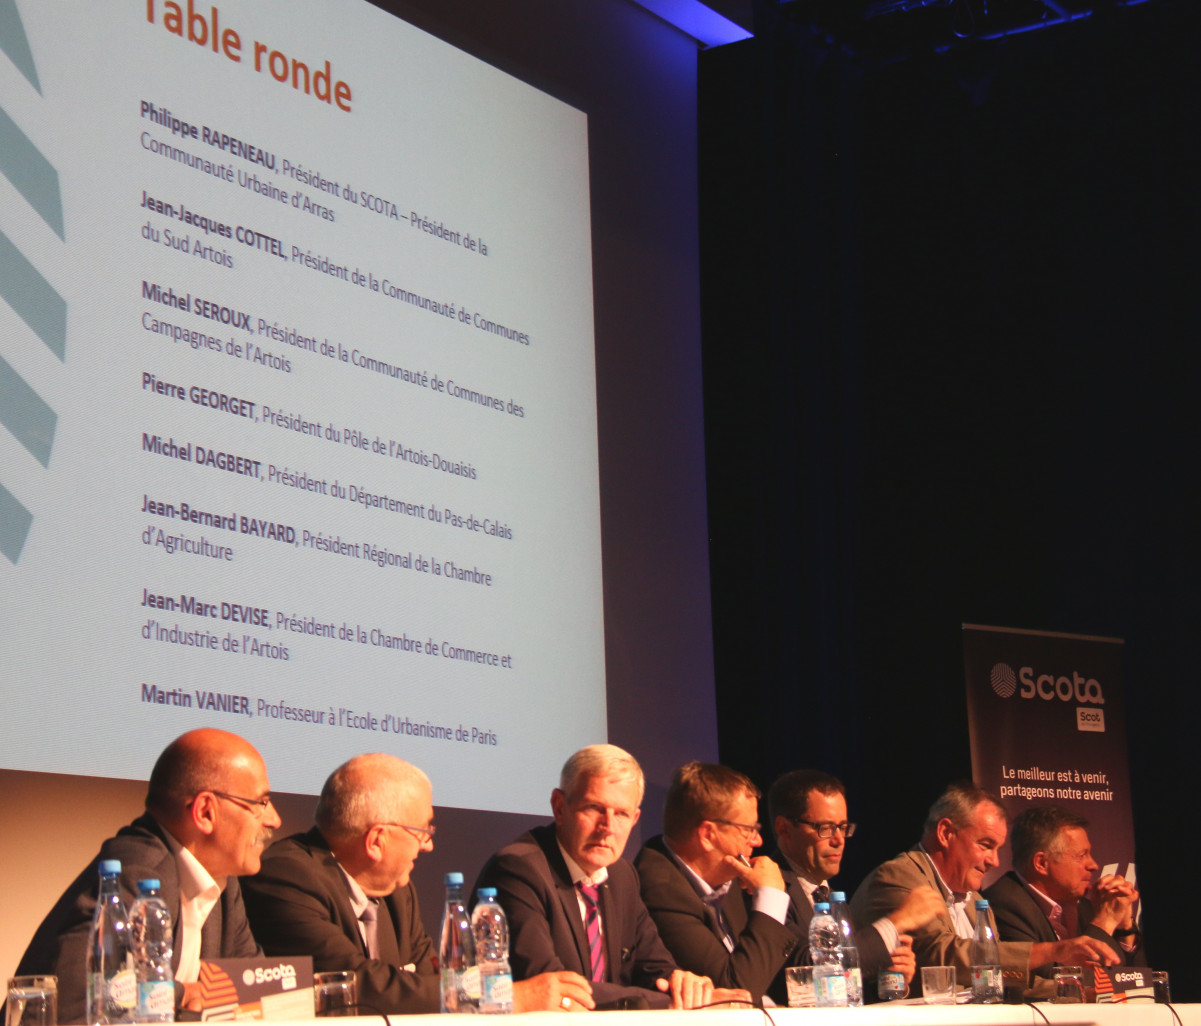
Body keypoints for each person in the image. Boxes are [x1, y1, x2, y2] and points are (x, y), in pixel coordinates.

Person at [241, 753, 594, 1014]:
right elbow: (358, 985)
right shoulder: (286, 878)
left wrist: (422, 982)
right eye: (423, 831)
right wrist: (510, 996)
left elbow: (429, 974)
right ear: (377, 840)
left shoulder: (396, 889)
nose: (429, 845)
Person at [17, 728, 280, 1024]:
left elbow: (254, 996)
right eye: (261, 803)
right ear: (206, 812)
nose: (274, 819)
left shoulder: (223, 884)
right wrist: (180, 994)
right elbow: (78, 1007)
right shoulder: (135, 870)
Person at [474, 744, 740, 1009]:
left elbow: (656, 970)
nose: (608, 828)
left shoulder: (622, 875)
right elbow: (554, 989)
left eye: (621, 814)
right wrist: (667, 1000)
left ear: (635, 818)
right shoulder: (519, 870)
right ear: (559, 806)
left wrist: (681, 985)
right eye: (593, 808)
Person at [849, 781, 1120, 997]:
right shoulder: (900, 877)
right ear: (945, 833)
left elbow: (995, 976)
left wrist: (1071, 991)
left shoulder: (974, 900)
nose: (995, 861)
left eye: (998, 849)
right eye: (986, 845)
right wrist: (1054, 951)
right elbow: (942, 955)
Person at [767, 770, 941, 999]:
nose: (839, 840)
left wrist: (889, 979)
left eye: (842, 827)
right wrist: (896, 922)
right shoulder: (769, 889)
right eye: (825, 828)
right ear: (784, 829)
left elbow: (844, 987)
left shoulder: (832, 897)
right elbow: (797, 971)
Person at [632, 762, 796, 1003]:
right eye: (748, 829)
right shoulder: (659, 888)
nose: (758, 841)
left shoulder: (727, 875)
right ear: (708, 835)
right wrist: (771, 896)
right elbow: (737, 991)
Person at [983, 805, 1142, 972]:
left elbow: (1138, 981)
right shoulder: (1003, 905)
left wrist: (1124, 927)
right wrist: (1105, 921)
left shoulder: (1085, 906)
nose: (1094, 865)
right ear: (1042, 863)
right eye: (1082, 856)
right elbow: (1055, 984)